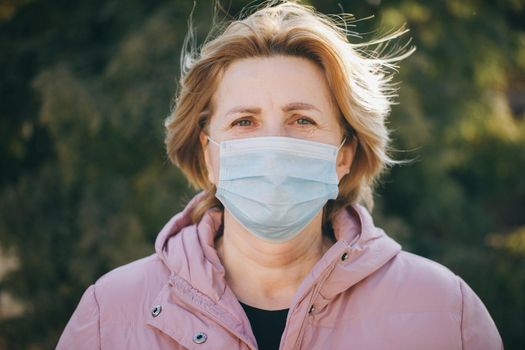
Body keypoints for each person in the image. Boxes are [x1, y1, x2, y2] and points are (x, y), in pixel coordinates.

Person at [56, 1, 503, 349]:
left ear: (344, 154)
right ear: (209, 154)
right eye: (244, 122)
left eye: (302, 120)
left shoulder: (445, 311)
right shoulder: (108, 313)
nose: (271, 146)